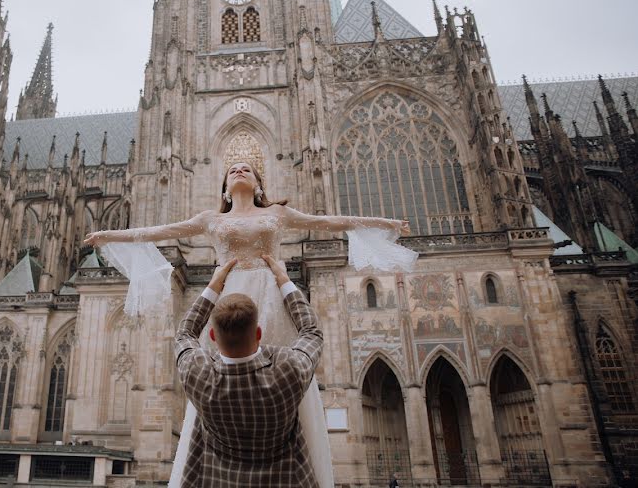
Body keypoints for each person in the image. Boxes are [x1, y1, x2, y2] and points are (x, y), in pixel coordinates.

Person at [85, 161, 411, 487]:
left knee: (285, 373)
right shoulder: (210, 219)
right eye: (232, 170)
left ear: (258, 184)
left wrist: (384, 224)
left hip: (273, 295)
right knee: (225, 375)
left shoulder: (279, 214)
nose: (239, 170)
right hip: (230, 295)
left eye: (247, 169)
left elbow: (331, 222)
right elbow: (158, 231)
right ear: (225, 188)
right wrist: (109, 235)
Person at [173, 253, 321, 486]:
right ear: (259, 332)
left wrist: (214, 283)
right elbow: (311, 331)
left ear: (212, 336)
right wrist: (283, 279)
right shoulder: (287, 370)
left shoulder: (198, 374)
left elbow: (185, 332)